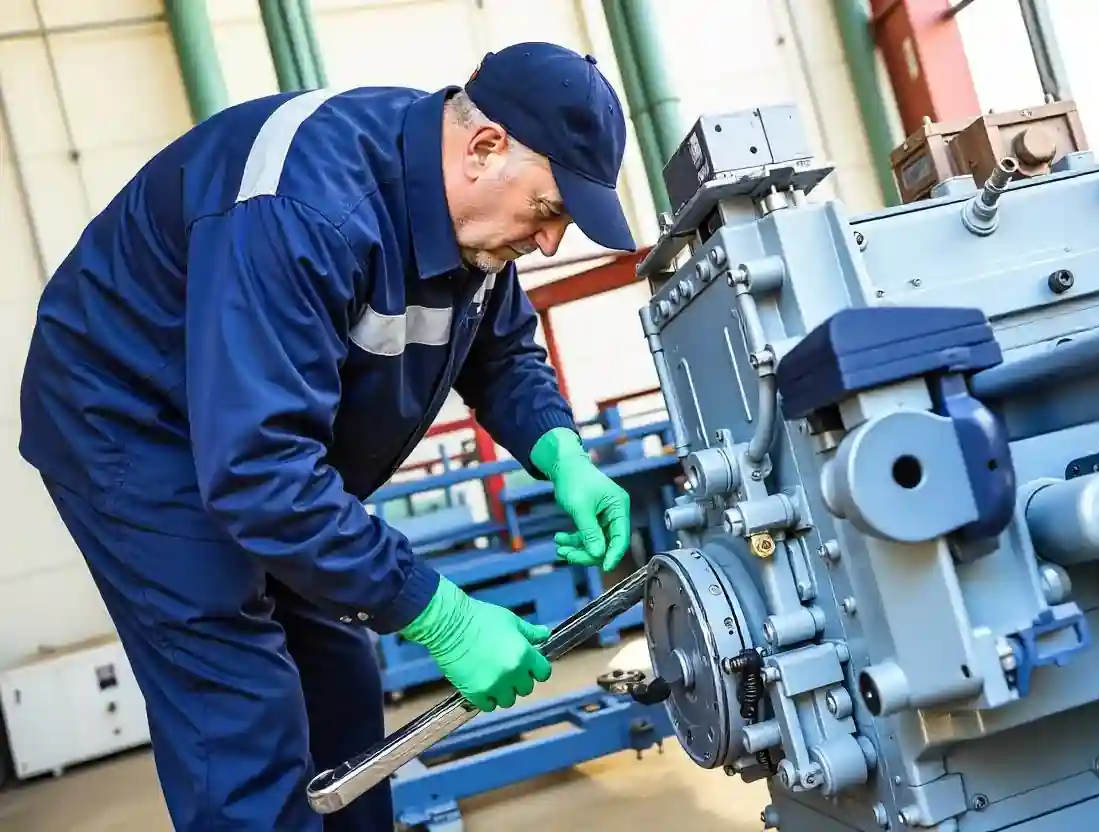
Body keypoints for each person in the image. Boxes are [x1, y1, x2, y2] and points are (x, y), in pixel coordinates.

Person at [17, 41, 637, 831]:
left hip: (250, 438)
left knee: (337, 678)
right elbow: (260, 471)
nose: (550, 243)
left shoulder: (469, 219)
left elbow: (503, 352)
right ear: (485, 148)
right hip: (129, 420)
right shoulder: (307, 210)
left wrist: (564, 453)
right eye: (548, 211)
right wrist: (441, 613)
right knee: (239, 699)